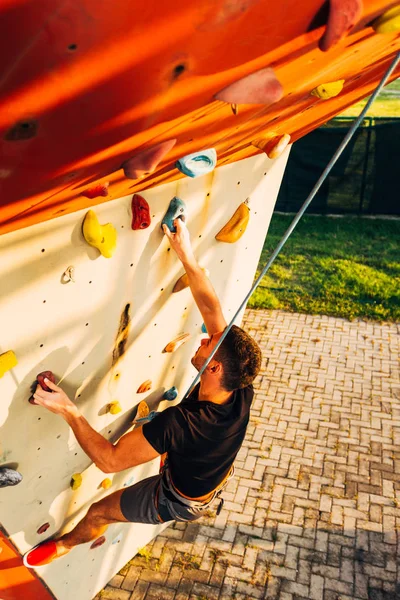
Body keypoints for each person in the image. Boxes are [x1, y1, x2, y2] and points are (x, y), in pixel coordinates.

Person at [24, 219, 262, 568]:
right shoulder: (239, 385)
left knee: (99, 512)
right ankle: (174, 461)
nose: (202, 339)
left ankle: (65, 545)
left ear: (214, 368)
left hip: (178, 498)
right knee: (164, 448)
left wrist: (68, 410)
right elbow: (211, 310)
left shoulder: (181, 424)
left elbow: (109, 461)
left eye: (208, 343)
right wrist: (187, 256)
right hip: (198, 464)